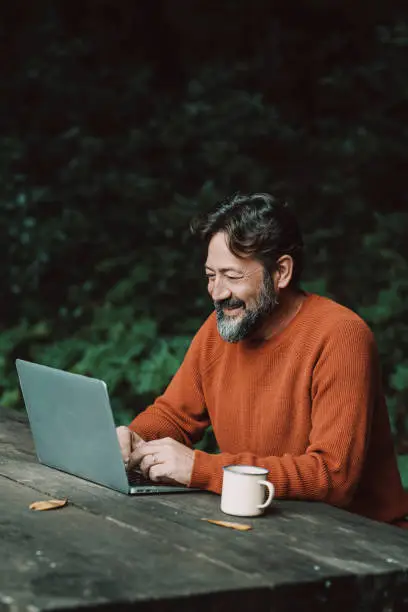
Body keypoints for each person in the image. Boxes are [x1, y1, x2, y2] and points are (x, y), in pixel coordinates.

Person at [117, 192, 408, 526]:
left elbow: (333, 477)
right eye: (211, 275)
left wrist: (202, 470)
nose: (217, 292)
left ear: (281, 272)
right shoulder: (219, 329)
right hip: (267, 528)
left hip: (363, 544)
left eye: (232, 275)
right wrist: (133, 440)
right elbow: (174, 415)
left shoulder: (341, 336)